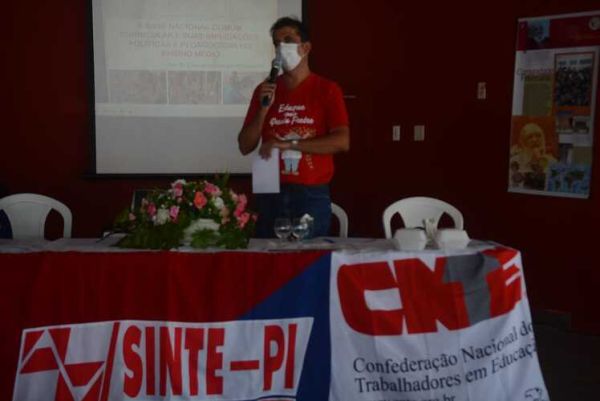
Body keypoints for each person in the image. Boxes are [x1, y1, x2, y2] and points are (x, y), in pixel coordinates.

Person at [238, 16, 350, 238]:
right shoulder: (264, 89)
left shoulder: (327, 90)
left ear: (305, 48)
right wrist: (263, 110)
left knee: (307, 256)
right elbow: (244, 145)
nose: (281, 48)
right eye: (276, 43)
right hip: (270, 193)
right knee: (268, 255)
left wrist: (289, 144)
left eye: (288, 40)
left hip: (310, 194)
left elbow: (342, 142)